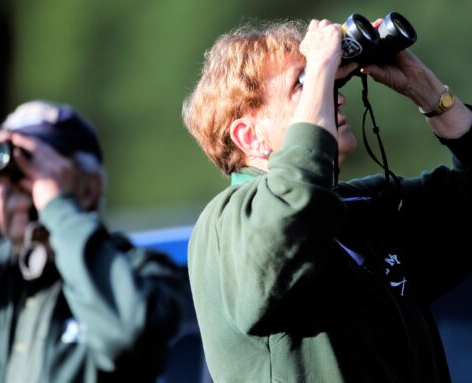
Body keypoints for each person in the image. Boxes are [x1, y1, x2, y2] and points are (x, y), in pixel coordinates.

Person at [181, 17, 472, 383]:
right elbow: (291, 209)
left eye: (331, 80)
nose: (335, 94)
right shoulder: (226, 225)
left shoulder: (360, 212)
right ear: (250, 137)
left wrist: (431, 95)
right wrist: (319, 61)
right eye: (301, 86)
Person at [0, 100, 184, 382]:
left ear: (89, 188)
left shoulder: (144, 273)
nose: (14, 188)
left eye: (31, 170)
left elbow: (126, 331)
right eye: (5, 175)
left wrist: (57, 207)